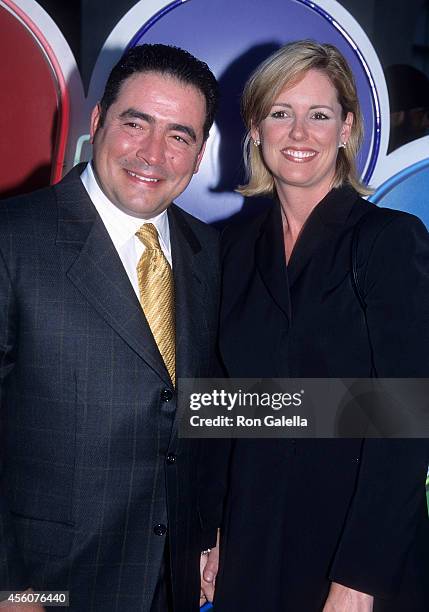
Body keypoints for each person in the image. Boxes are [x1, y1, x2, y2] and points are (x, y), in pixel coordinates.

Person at [201, 40, 429, 611]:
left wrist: (361, 575)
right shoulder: (232, 248)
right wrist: (215, 529)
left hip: (353, 551)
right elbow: (223, 405)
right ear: (254, 128)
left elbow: (407, 415)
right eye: (281, 113)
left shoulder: (388, 242)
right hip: (252, 547)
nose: (299, 133)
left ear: (347, 129)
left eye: (319, 115)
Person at [0, 43, 220, 611]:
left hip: (173, 586)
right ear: (97, 121)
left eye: (180, 135)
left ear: (200, 155)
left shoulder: (210, 253)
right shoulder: (12, 238)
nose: (153, 153)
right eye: (135, 123)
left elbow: (205, 408)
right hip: (48, 589)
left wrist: (211, 529)